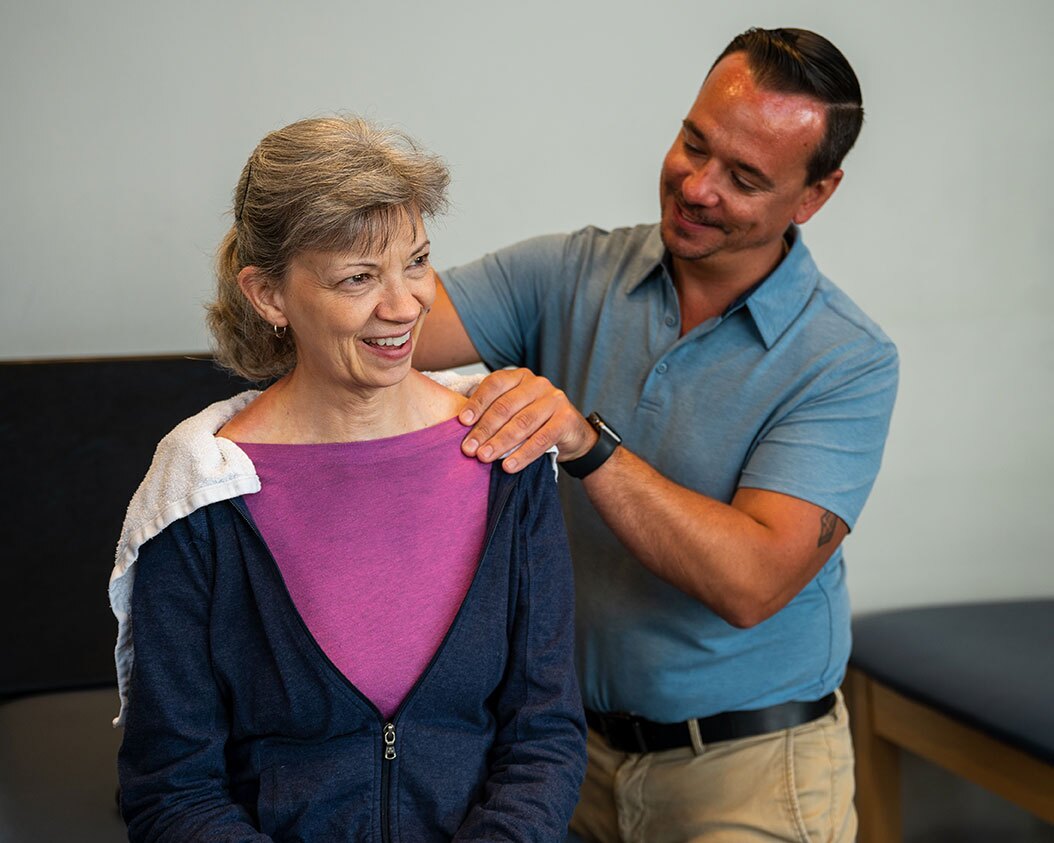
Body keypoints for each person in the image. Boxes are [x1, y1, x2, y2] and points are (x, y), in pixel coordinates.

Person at [414, 27, 898, 843]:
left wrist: (586, 444)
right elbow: (393, 330)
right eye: (693, 143)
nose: (698, 186)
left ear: (814, 196)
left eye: (744, 178)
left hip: (748, 774)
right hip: (559, 754)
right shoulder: (569, 273)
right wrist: (335, 246)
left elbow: (751, 579)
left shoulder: (847, 359)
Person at [108, 116, 586, 842]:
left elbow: (543, 738)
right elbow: (173, 788)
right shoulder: (199, 493)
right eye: (359, 278)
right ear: (269, 295)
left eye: (417, 262)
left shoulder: (507, 457)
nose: (404, 305)